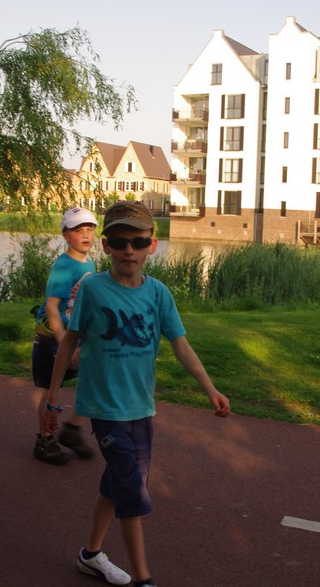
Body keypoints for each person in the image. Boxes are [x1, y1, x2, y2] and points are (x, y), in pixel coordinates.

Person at [44, 200, 231, 587]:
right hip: (104, 409)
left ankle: (90, 554)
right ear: (106, 246)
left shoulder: (159, 294)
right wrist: (53, 396)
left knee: (117, 484)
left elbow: (181, 345)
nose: (129, 250)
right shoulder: (92, 288)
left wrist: (210, 389)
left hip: (141, 409)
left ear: (152, 245)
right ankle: (144, 579)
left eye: (138, 241)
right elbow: (70, 342)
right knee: (130, 488)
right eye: (119, 241)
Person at [31, 206, 98, 465]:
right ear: (65, 235)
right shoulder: (64, 265)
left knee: (92, 380)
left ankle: (72, 429)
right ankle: (45, 439)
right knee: (50, 390)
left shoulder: (88, 262)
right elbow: (52, 306)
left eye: (90, 229)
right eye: (78, 230)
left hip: (74, 335)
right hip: (53, 336)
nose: (86, 235)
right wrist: (63, 341)